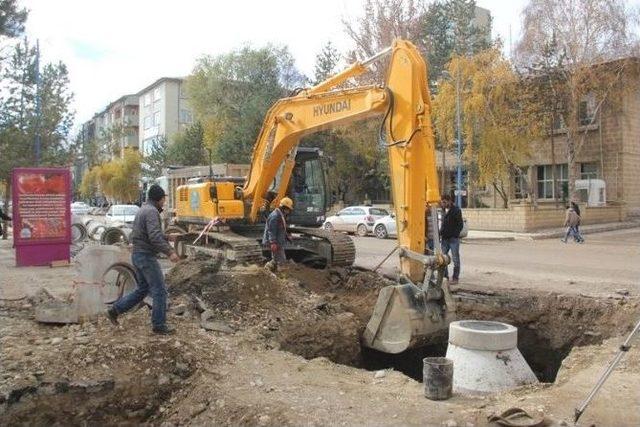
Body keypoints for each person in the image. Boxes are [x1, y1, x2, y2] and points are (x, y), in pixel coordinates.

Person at [107, 184, 180, 334]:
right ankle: (159, 325)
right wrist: (170, 252)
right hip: (146, 257)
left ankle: (114, 310)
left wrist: (167, 236)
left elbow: (146, 234)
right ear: (159, 199)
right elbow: (153, 237)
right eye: (163, 199)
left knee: (142, 289)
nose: (164, 203)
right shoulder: (152, 212)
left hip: (138, 255)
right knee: (159, 290)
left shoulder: (144, 209)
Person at [263, 197, 294, 271]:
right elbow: (271, 230)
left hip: (278, 241)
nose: (289, 211)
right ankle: (281, 276)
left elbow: (281, 229)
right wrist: (273, 242)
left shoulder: (280, 215)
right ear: (284, 208)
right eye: (288, 209)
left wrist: (287, 237)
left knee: (276, 258)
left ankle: (267, 270)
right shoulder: (275, 216)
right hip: (275, 242)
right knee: (281, 259)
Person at [439, 194, 464, 285]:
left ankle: (455, 278)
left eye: (444, 202)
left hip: (453, 239)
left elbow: (460, 225)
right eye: (442, 202)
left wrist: (455, 234)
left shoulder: (456, 210)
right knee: (443, 259)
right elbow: (443, 224)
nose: (443, 204)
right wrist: (440, 233)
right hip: (444, 239)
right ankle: (445, 277)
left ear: (449, 201)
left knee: (455, 259)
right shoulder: (442, 210)